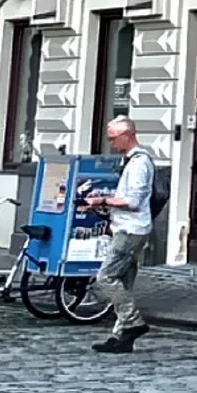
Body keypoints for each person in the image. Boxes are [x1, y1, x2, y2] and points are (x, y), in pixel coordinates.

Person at [79, 111, 157, 353]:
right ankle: (121, 337)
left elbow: (133, 201)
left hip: (130, 230)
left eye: (113, 139)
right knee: (123, 282)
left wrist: (102, 200)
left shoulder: (139, 163)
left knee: (106, 279)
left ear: (128, 135)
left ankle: (133, 322)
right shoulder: (131, 161)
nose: (111, 144)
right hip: (128, 227)